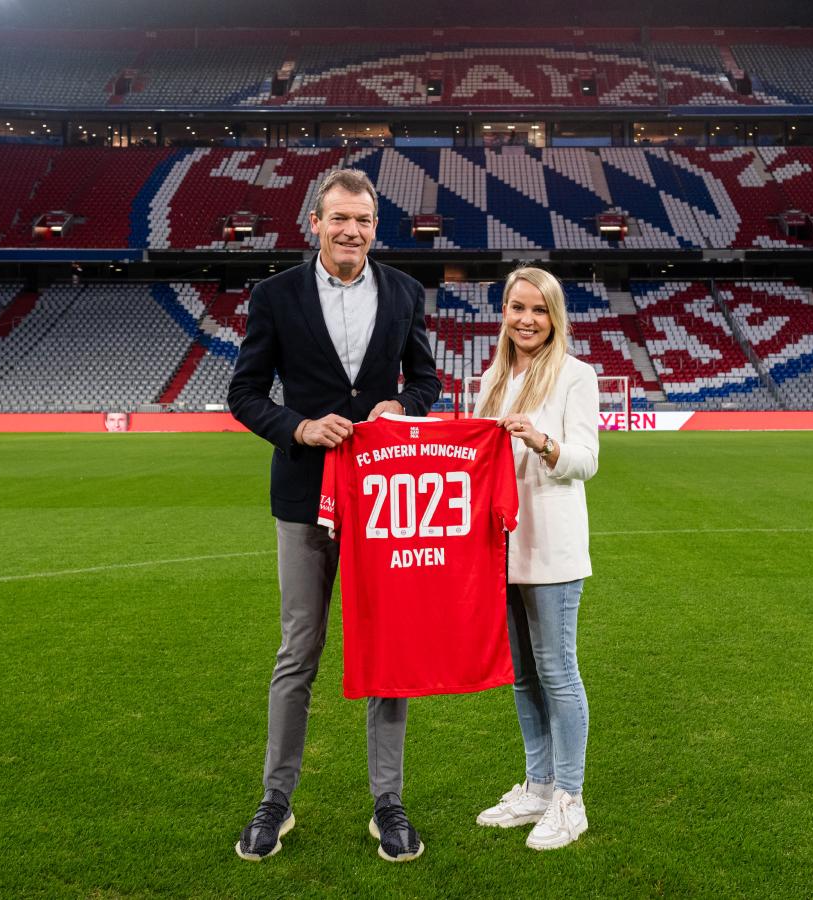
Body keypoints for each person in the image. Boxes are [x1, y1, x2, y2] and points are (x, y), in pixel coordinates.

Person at [227, 168, 441, 863]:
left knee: (388, 654)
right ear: (313, 223)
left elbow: (427, 378)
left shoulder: (405, 293)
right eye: (339, 218)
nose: (352, 230)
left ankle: (390, 803)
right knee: (299, 652)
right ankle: (275, 801)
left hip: (384, 501)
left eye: (364, 220)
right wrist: (297, 427)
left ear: (376, 228)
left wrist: (404, 406)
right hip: (302, 497)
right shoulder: (275, 295)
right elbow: (245, 391)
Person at [471, 266, 599, 851]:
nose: (526, 319)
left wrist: (541, 441)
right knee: (522, 675)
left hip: (553, 547)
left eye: (538, 310)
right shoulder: (492, 378)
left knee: (557, 671)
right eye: (517, 308)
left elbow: (586, 460)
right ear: (505, 312)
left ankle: (570, 799)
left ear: (554, 317)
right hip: (501, 548)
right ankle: (538, 786)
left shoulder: (576, 375)